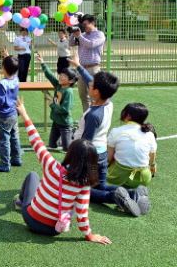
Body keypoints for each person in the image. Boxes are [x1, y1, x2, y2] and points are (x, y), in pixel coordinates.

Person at [13, 98, 112, 245]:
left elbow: (36, 140)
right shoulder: (84, 184)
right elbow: (82, 214)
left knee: (33, 176)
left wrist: (25, 114)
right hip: (55, 229)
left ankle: (20, 202)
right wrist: (89, 235)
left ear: (70, 154)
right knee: (71, 202)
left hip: (32, 220)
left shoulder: (51, 165)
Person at [70, 55, 146, 216]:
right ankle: (133, 194)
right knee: (100, 186)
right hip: (102, 154)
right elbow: (93, 80)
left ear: (96, 91)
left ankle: (115, 197)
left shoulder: (93, 115)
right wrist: (78, 66)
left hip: (91, 157)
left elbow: (86, 142)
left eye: (91, 85)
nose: (89, 84)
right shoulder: (108, 101)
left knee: (82, 191)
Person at [107, 103, 157, 191]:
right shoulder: (150, 134)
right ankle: (134, 193)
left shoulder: (116, 131)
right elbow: (152, 160)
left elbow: (108, 159)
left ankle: (123, 193)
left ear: (128, 116)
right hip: (143, 178)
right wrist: (152, 167)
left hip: (119, 176)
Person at [36, 53, 78, 151]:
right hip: (56, 122)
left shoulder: (68, 92)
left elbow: (65, 110)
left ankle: (73, 132)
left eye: (64, 76)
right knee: (52, 145)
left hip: (65, 124)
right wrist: (42, 63)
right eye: (61, 74)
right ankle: (62, 138)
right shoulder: (59, 86)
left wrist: (51, 103)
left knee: (67, 148)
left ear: (71, 81)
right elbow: (50, 75)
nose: (60, 76)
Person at [0, 55, 22, 172]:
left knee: (4, 140)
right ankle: (16, 158)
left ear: (3, 67)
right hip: (13, 112)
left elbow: (0, 101)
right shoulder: (16, 79)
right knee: (14, 136)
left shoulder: (2, 83)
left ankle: (4, 164)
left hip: (5, 115)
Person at [69, 14, 106, 111]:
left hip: (93, 68)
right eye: (82, 25)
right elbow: (71, 43)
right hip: (81, 68)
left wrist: (79, 36)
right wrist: (73, 33)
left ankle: (96, 116)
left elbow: (91, 44)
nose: (84, 27)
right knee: (83, 96)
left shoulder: (99, 34)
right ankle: (86, 116)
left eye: (85, 24)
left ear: (93, 23)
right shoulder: (83, 35)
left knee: (94, 95)